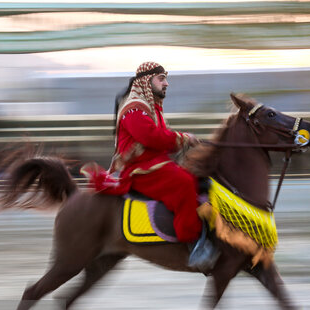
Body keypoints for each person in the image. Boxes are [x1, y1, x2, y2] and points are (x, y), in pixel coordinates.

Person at [83, 61, 218, 271]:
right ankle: (193, 245)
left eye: (166, 79)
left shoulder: (149, 107)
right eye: (161, 79)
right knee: (183, 183)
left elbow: (161, 139)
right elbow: (151, 138)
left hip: (155, 164)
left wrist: (185, 141)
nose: (166, 84)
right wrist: (183, 138)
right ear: (146, 81)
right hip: (141, 170)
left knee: (197, 176)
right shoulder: (134, 108)